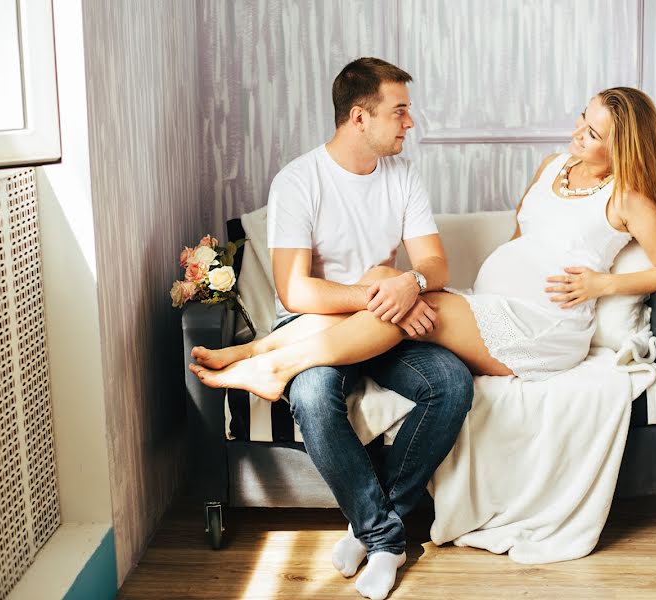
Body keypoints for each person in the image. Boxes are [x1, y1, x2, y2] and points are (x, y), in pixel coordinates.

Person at [191, 85, 656, 596]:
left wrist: (602, 284)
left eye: (592, 133)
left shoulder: (630, 200)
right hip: (493, 307)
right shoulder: (551, 166)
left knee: (402, 298)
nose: (575, 134)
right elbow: (526, 238)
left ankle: (273, 363)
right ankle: (266, 363)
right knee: (388, 286)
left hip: (545, 327)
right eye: (581, 120)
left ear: (624, 145)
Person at [193, 57, 474, 600]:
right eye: (399, 112)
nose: (409, 123)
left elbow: (436, 266)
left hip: (384, 325)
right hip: (313, 323)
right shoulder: (299, 181)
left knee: (452, 385)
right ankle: (387, 539)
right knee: (314, 397)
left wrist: (408, 282)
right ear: (358, 118)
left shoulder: (404, 176)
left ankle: (367, 524)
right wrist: (384, 294)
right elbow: (295, 290)